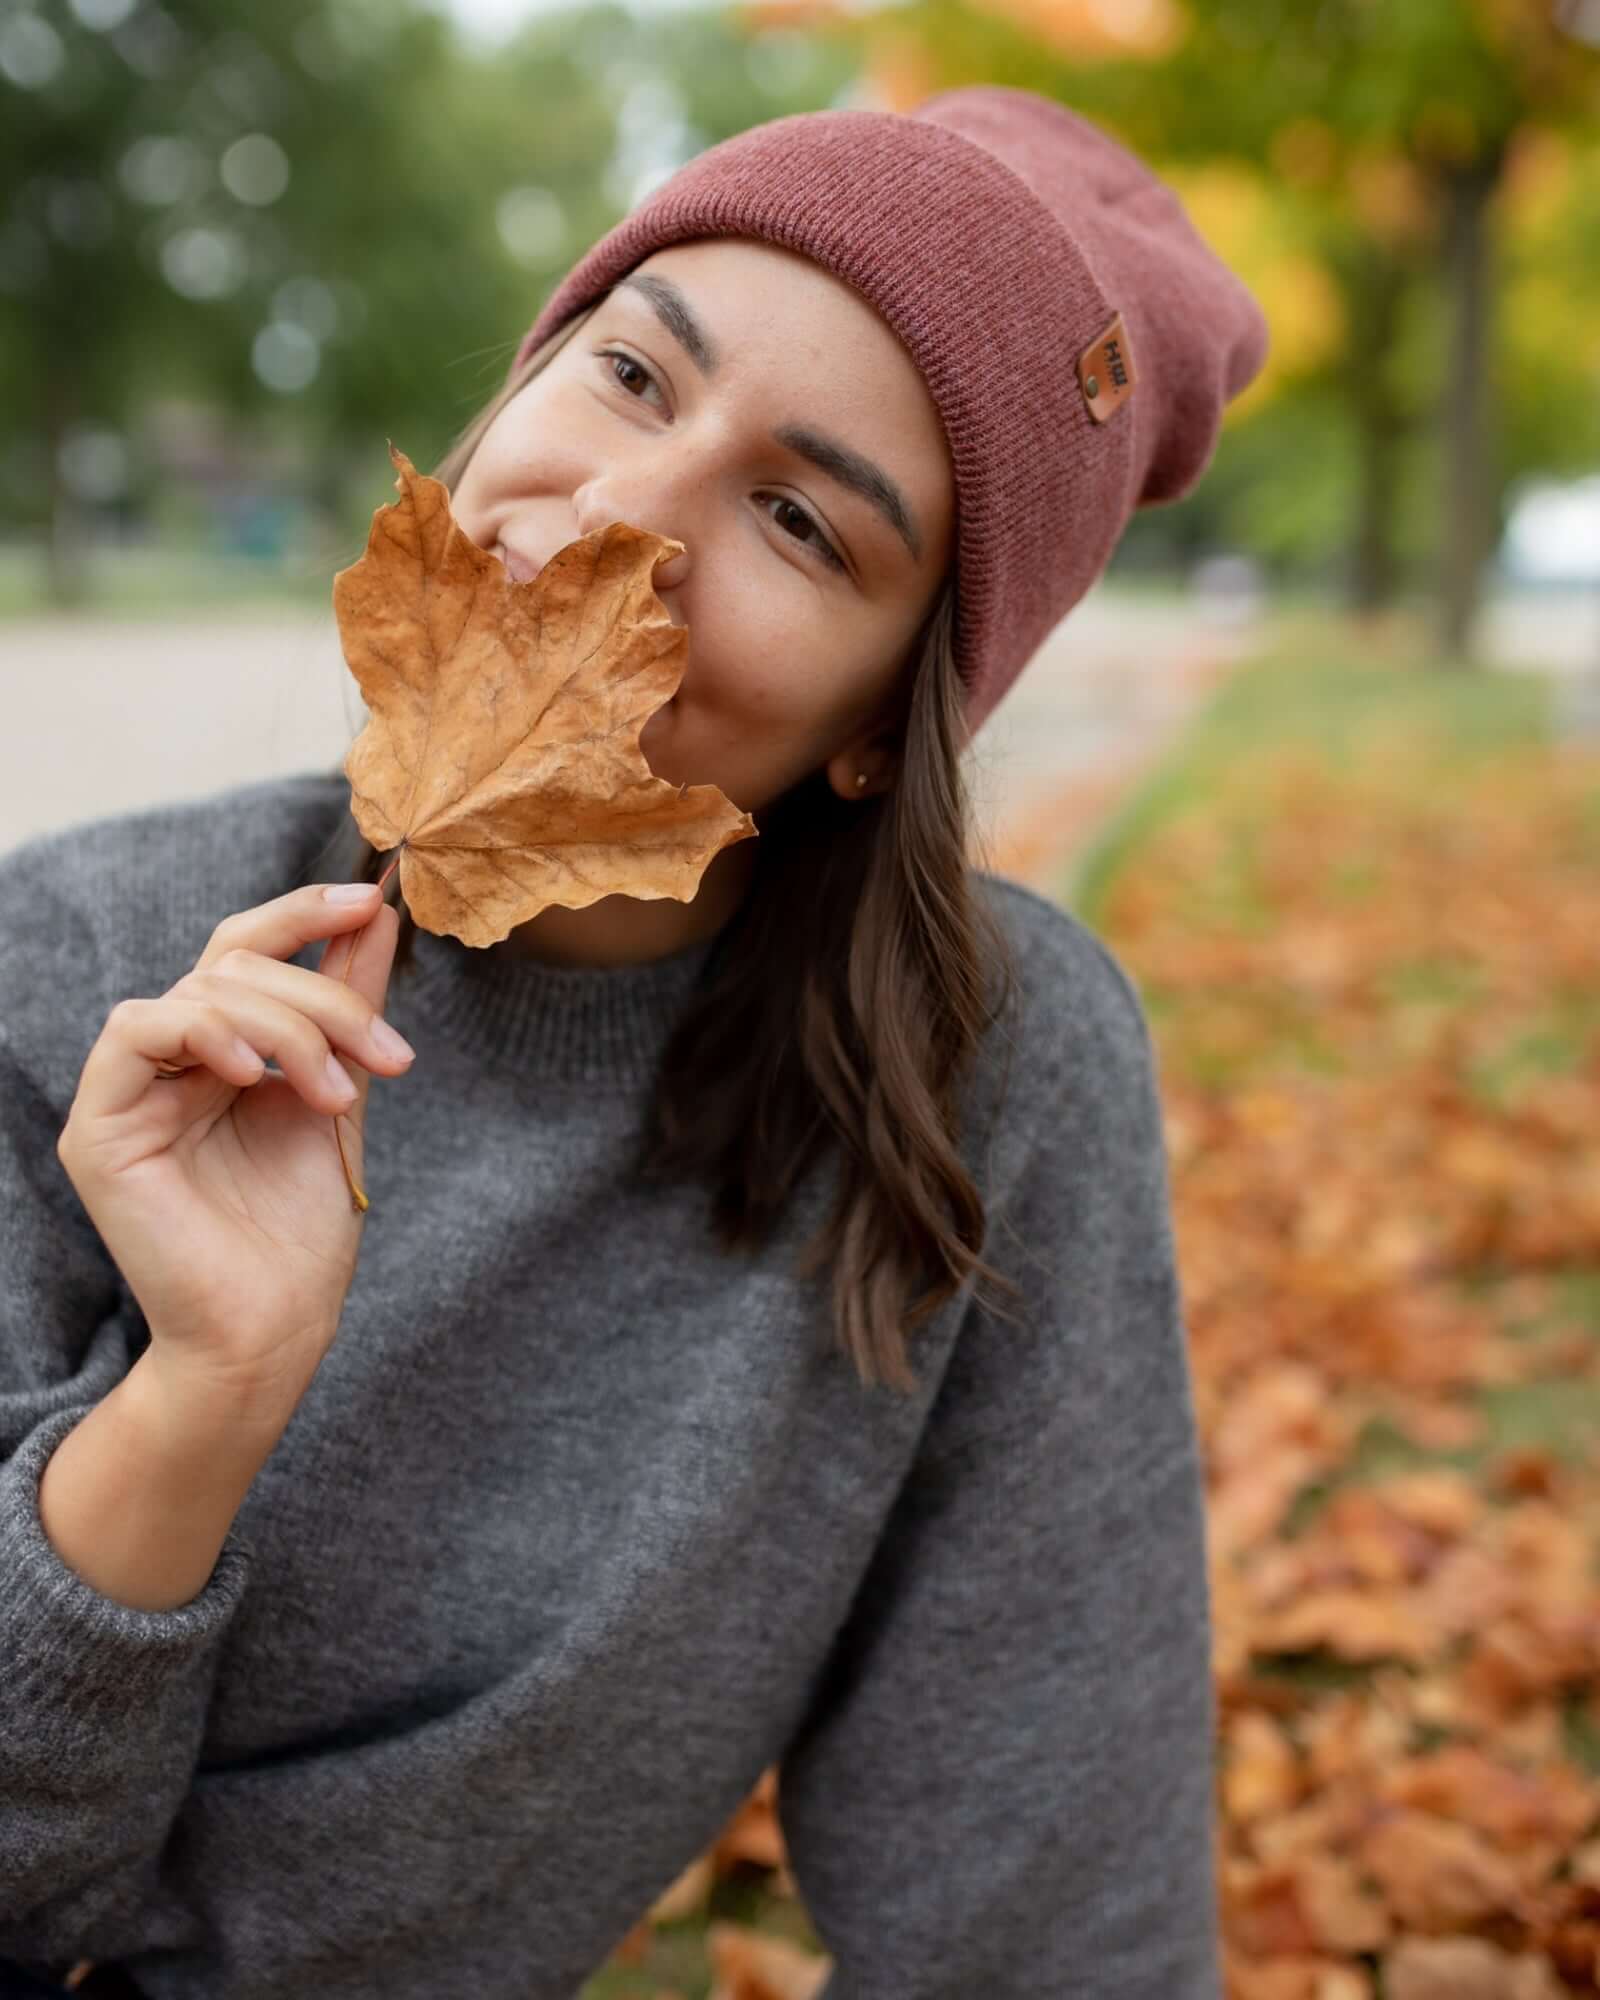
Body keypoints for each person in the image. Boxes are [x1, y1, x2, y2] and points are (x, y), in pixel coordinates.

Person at [0, 83, 1268, 2000]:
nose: (616, 522)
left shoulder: (987, 1087)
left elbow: (1045, 1918)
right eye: (629, 375)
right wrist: (197, 1400)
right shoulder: (70, 957)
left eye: (798, 519)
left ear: (886, 723)